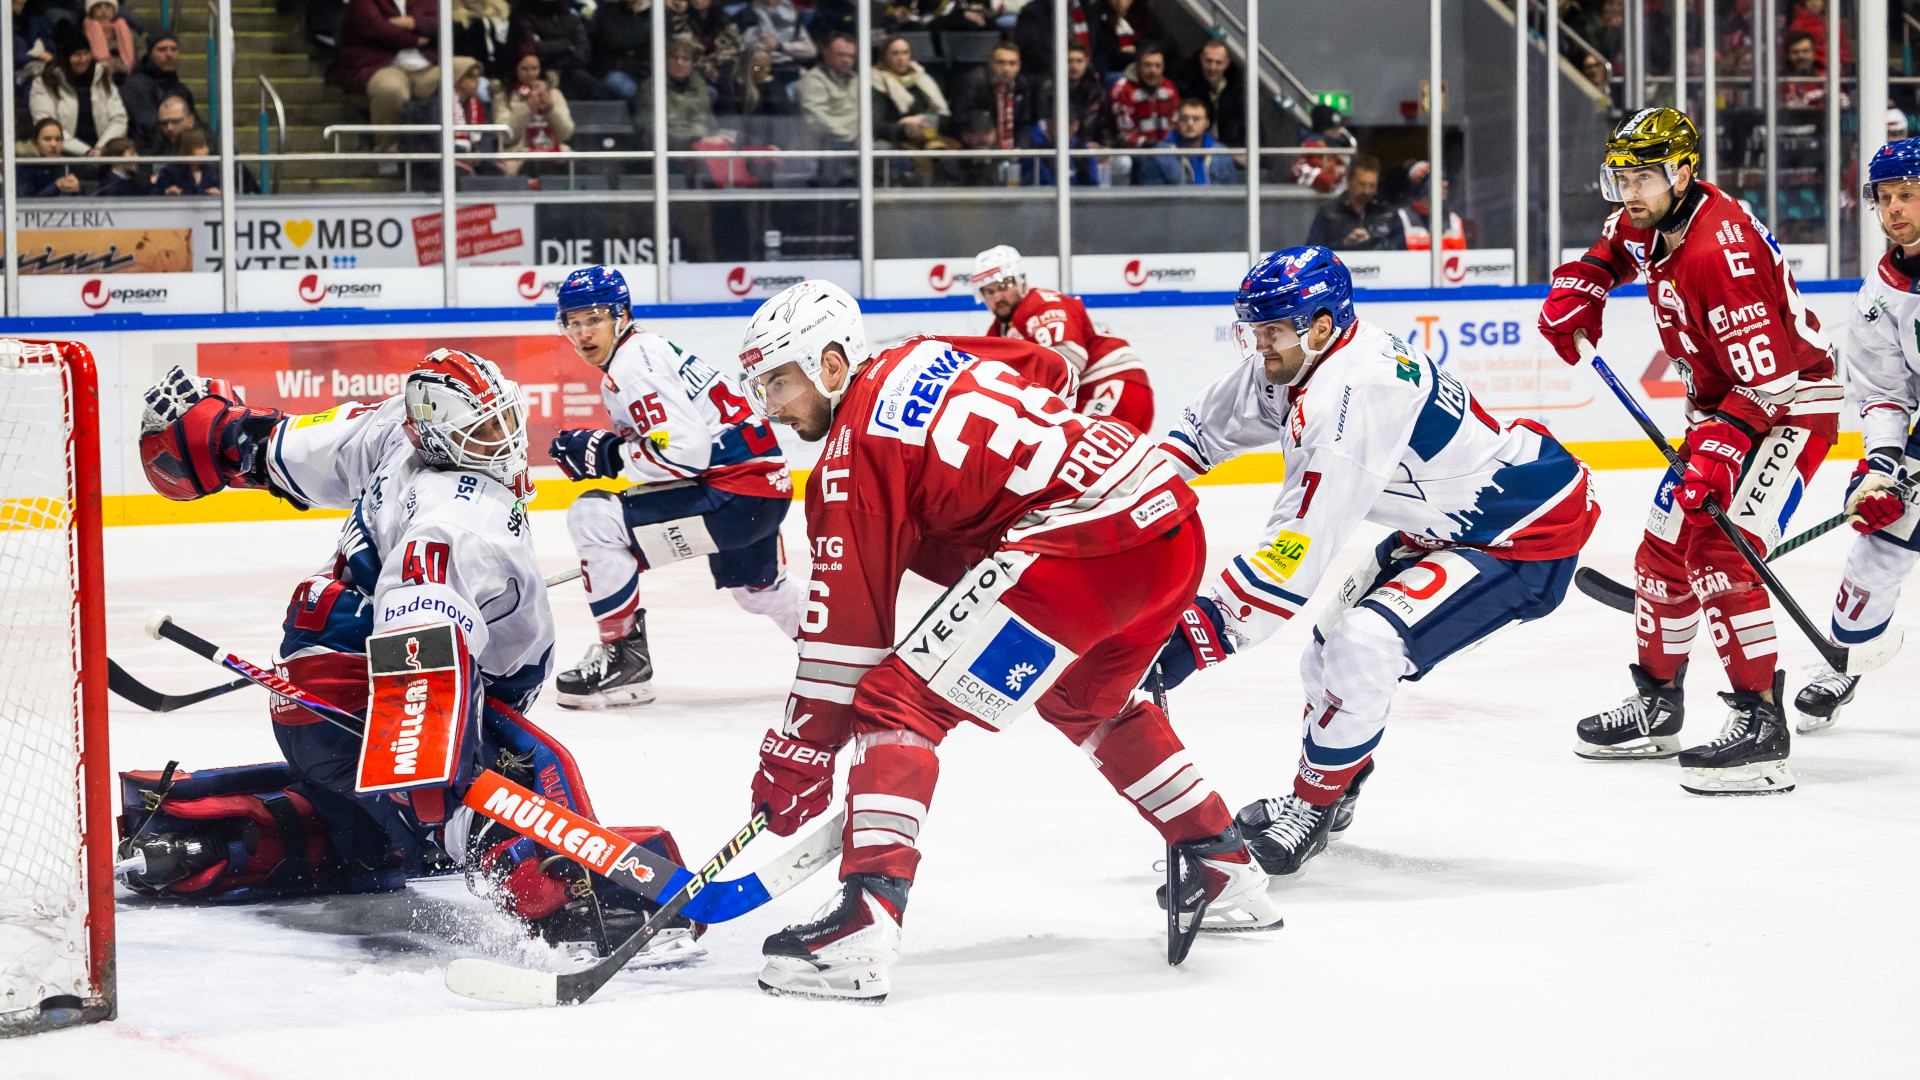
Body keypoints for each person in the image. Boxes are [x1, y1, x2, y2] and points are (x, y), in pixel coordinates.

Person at [737, 280, 1278, 1002]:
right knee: (1084, 699)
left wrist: (800, 755)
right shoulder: (926, 353)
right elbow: (1046, 368)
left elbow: (847, 639)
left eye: (779, 381)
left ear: (833, 365)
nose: (770, 406)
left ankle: (861, 926)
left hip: (1089, 548)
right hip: (1169, 521)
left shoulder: (850, 455)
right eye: (759, 386)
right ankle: (1222, 861)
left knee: (896, 703)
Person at [125, 355, 700, 960]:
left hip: (311, 699)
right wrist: (427, 776)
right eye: (480, 434)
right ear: (433, 437)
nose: (501, 443)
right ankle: (578, 906)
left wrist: (221, 434)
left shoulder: (388, 428)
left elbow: (279, 447)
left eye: (503, 423)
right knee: (516, 776)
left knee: (381, 837)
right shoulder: (458, 519)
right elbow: (418, 639)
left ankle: (214, 831)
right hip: (369, 696)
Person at [1151, 247, 1598, 875]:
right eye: (1254, 330)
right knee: (1325, 651)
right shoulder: (1305, 354)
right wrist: (1123, 505)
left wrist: (1196, 636)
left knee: (1363, 644)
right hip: (1445, 525)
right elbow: (1202, 431)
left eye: (1272, 331)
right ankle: (1334, 790)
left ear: (1323, 325)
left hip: (1521, 533)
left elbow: (1294, 550)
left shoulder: (1354, 397)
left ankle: (1312, 807)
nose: (1260, 346)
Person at [1539, 108, 1840, 795]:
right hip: (1725, 405)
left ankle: (1762, 728)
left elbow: (1771, 382)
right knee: (1661, 549)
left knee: (1717, 548)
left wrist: (1717, 454)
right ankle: (1658, 705)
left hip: (1790, 405)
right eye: (1622, 178)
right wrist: (1584, 285)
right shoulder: (1657, 218)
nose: (1629, 194)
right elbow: (1618, 243)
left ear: (1682, 172)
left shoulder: (1717, 254)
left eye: (1643, 177)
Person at [548, 268, 800, 709]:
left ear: (621, 316)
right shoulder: (644, 351)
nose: (584, 332)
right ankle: (840, 650)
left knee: (593, 516)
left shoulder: (632, 366)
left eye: (595, 319)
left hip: (734, 494)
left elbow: (684, 451)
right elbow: (676, 443)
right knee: (760, 591)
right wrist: (613, 449)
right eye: (574, 322)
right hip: (761, 490)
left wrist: (609, 457)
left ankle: (624, 663)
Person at [1792, 139, 1920, 732]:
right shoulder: (1877, 296)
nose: (1895, 209)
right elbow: (1884, 392)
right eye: (1886, 198)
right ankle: (1843, 658)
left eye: (1910, 195)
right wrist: (1882, 467)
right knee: (1877, 546)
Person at [971, 243, 1155, 432]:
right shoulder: (999, 330)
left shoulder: (1041, 304)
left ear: (1022, 281)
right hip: (1093, 394)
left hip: (1113, 384)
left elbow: (1069, 357)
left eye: (1004, 286)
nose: (998, 296)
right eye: (989, 291)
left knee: (1079, 452)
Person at [339, 0, 445, 155]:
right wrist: (415, 39)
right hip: (381, 65)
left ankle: (464, 147)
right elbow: (373, 27)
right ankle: (386, 149)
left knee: (466, 68)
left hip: (426, 66)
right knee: (390, 88)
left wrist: (414, 23)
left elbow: (441, 23)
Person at [29, 22, 127, 156]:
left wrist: (100, 149)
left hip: (103, 153)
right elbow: (45, 124)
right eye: (76, 55)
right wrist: (85, 151)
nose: (82, 59)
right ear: (65, 58)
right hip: (64, 154)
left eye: (86, 53)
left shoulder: (103, 77)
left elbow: (119, 118)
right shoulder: (44, 83)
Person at [1304, 153, 1404, 250]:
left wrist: (1379, 244)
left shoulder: (1389, 213)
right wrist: (1343, 243)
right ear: (1349, 180)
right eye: (1362, 184)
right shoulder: (1328, 213)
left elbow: (1402, 252)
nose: (1367, 191)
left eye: (1372, 185)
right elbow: (1313, 254)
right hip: (1341, 266)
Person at [497, 48, 573, 176]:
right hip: (519, 153)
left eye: (534, 68)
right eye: (525, 69)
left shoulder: (554, 94)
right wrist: (527, 108)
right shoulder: (503, 96)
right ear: (515, 69)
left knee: (570, 157)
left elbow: (567, 133)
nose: (530, 73)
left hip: (552, 150)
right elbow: (505, 137)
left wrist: (550, 110)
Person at [638, 38, 723, 152]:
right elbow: (651, 129)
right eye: (674, 58)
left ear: (691, 63)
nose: (679, 63)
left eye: (685, 59)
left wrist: (712, 137)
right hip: (666, 151)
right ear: (665, 61)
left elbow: (707, 122)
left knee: (738, 138)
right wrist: (696, 139)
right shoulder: (651, 88)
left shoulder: (699, 85)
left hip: (699, 145)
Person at [121, 32, 198, 157]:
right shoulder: (134, 87)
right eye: (162, 50)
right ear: (150, 54)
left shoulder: (181, 89)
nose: (169, 54)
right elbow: (148, 127)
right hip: (148, 155)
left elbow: (196, 123)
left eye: (174, 49)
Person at [952, 41, 1036, 155]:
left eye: (1012, 63)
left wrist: (1020, 147)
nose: (1006, 69)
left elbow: (1024, 122)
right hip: (978, 149)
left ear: (1019, 66)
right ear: (991, 63)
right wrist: (980, 132)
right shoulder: (973, 82)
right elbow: (961, 118)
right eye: (1001, 63)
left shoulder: (1022, 86)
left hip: (1012, 151)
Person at [511, 0, 606, 101]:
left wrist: (553, 52)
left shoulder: (570, 17)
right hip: (539, 74)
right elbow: (532, 49)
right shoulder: (523, 16)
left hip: (572, 72)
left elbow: (583, 54)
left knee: (593, 88)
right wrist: (567, 45)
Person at [872, 34, 950, 149]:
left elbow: (944, 116)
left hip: (928, 134)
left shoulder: (921, 78)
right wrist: (904, 127)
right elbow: (875, 125)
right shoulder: (877, 81)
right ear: (884, 57)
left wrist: (924, 120)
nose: (901, 58)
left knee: (944, 152)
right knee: (919, 158)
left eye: (905, 52)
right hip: (895, 140)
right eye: (895, 53)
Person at [1137, 98, 1237, 185]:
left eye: (1196, 119)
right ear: (1177, 122)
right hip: (1174, 206)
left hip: (1216, 206)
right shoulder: (1159, 154)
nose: (1189, 123)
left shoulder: (1222, 153)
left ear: (1207, 123)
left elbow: (1232, 195)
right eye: (1184, 118)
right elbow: (1152, 200)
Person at [796, 31, 858, 169]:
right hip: (827, 145)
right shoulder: (812, 80)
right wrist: (854, 136)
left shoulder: (858, 81)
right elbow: (816, 120)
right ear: (826, 53)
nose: (846, 60)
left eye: (851, 56)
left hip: (857, 143)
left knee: (891, 154)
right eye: (841, 55)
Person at [1108, 41, 1178, 156]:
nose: (1153, 71)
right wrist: (1154, 146)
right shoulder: (1123, 90)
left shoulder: (1169, 87)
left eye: (1158, 66)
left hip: (1166, 150)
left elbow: (1175, 124)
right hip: (1134, 152)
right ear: (1137, 66)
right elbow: (1124, 135)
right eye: (1147, 65)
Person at [1175, 38, 1243, 149]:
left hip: (1231, 150)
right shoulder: (1187, 87)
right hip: (1194, 148)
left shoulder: (1238, 91)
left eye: (1218, 62)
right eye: (1208, 61)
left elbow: (1249, 126)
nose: (1212, 67)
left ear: (1227, 63)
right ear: (1201, 58)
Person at [670, 0, 743, 86]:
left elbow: (733, 51)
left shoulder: (727, 23)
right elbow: (682, 51)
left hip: (720, 74)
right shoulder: (681, 21)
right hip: (691, 74)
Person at [1396, 160, 1465, 251]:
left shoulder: (1454, 220)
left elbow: (1463, 260)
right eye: (1440, 179)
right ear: (1422, 186)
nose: (1446, 184)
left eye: (1444, 179)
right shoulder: (1402, 218)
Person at [738, 0, 816, 77]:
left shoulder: (791, 14)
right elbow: (745, 50)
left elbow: (810, 50)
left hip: (791, 66)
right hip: (764, 69)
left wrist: (780, 46)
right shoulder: (748, 15)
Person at [592, 0, 650, 101]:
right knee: (626, 88)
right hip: (617, 71)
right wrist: (642, 42)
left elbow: (661, 45)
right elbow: (616, 40)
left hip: (647, 72)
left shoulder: (655, 14)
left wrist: (635, 51)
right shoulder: (608, 11)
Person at [1290, 103, 1351, 193]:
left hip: (1333, 203)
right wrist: (1327, 180)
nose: (1338, 133)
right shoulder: (1309, 148)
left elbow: (1344, 175)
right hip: (1308, 203)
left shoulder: (1335, 151)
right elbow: (1298, 171)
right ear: (1324, 130)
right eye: (1333, 129)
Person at [16, 117, 83, 196]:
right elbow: (25, 202)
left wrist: (78, 189)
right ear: (35, 143)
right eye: (47, 139)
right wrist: (56, 187)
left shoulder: (67, 165)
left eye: (58, 139)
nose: (53, 144)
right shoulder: (25, 167)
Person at [451, 0, 512, 82]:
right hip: (470, 72)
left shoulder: (492, 13)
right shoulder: (456, 19)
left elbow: (497, 45)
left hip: (494, 69)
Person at [156, 127, 221, 195]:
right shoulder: (170, 172)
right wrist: (169, 191)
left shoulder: (213, 171)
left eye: (206, 146)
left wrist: (218, 192)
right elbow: (155, 192)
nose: (206, 150)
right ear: (186, 151)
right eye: (200, 147)